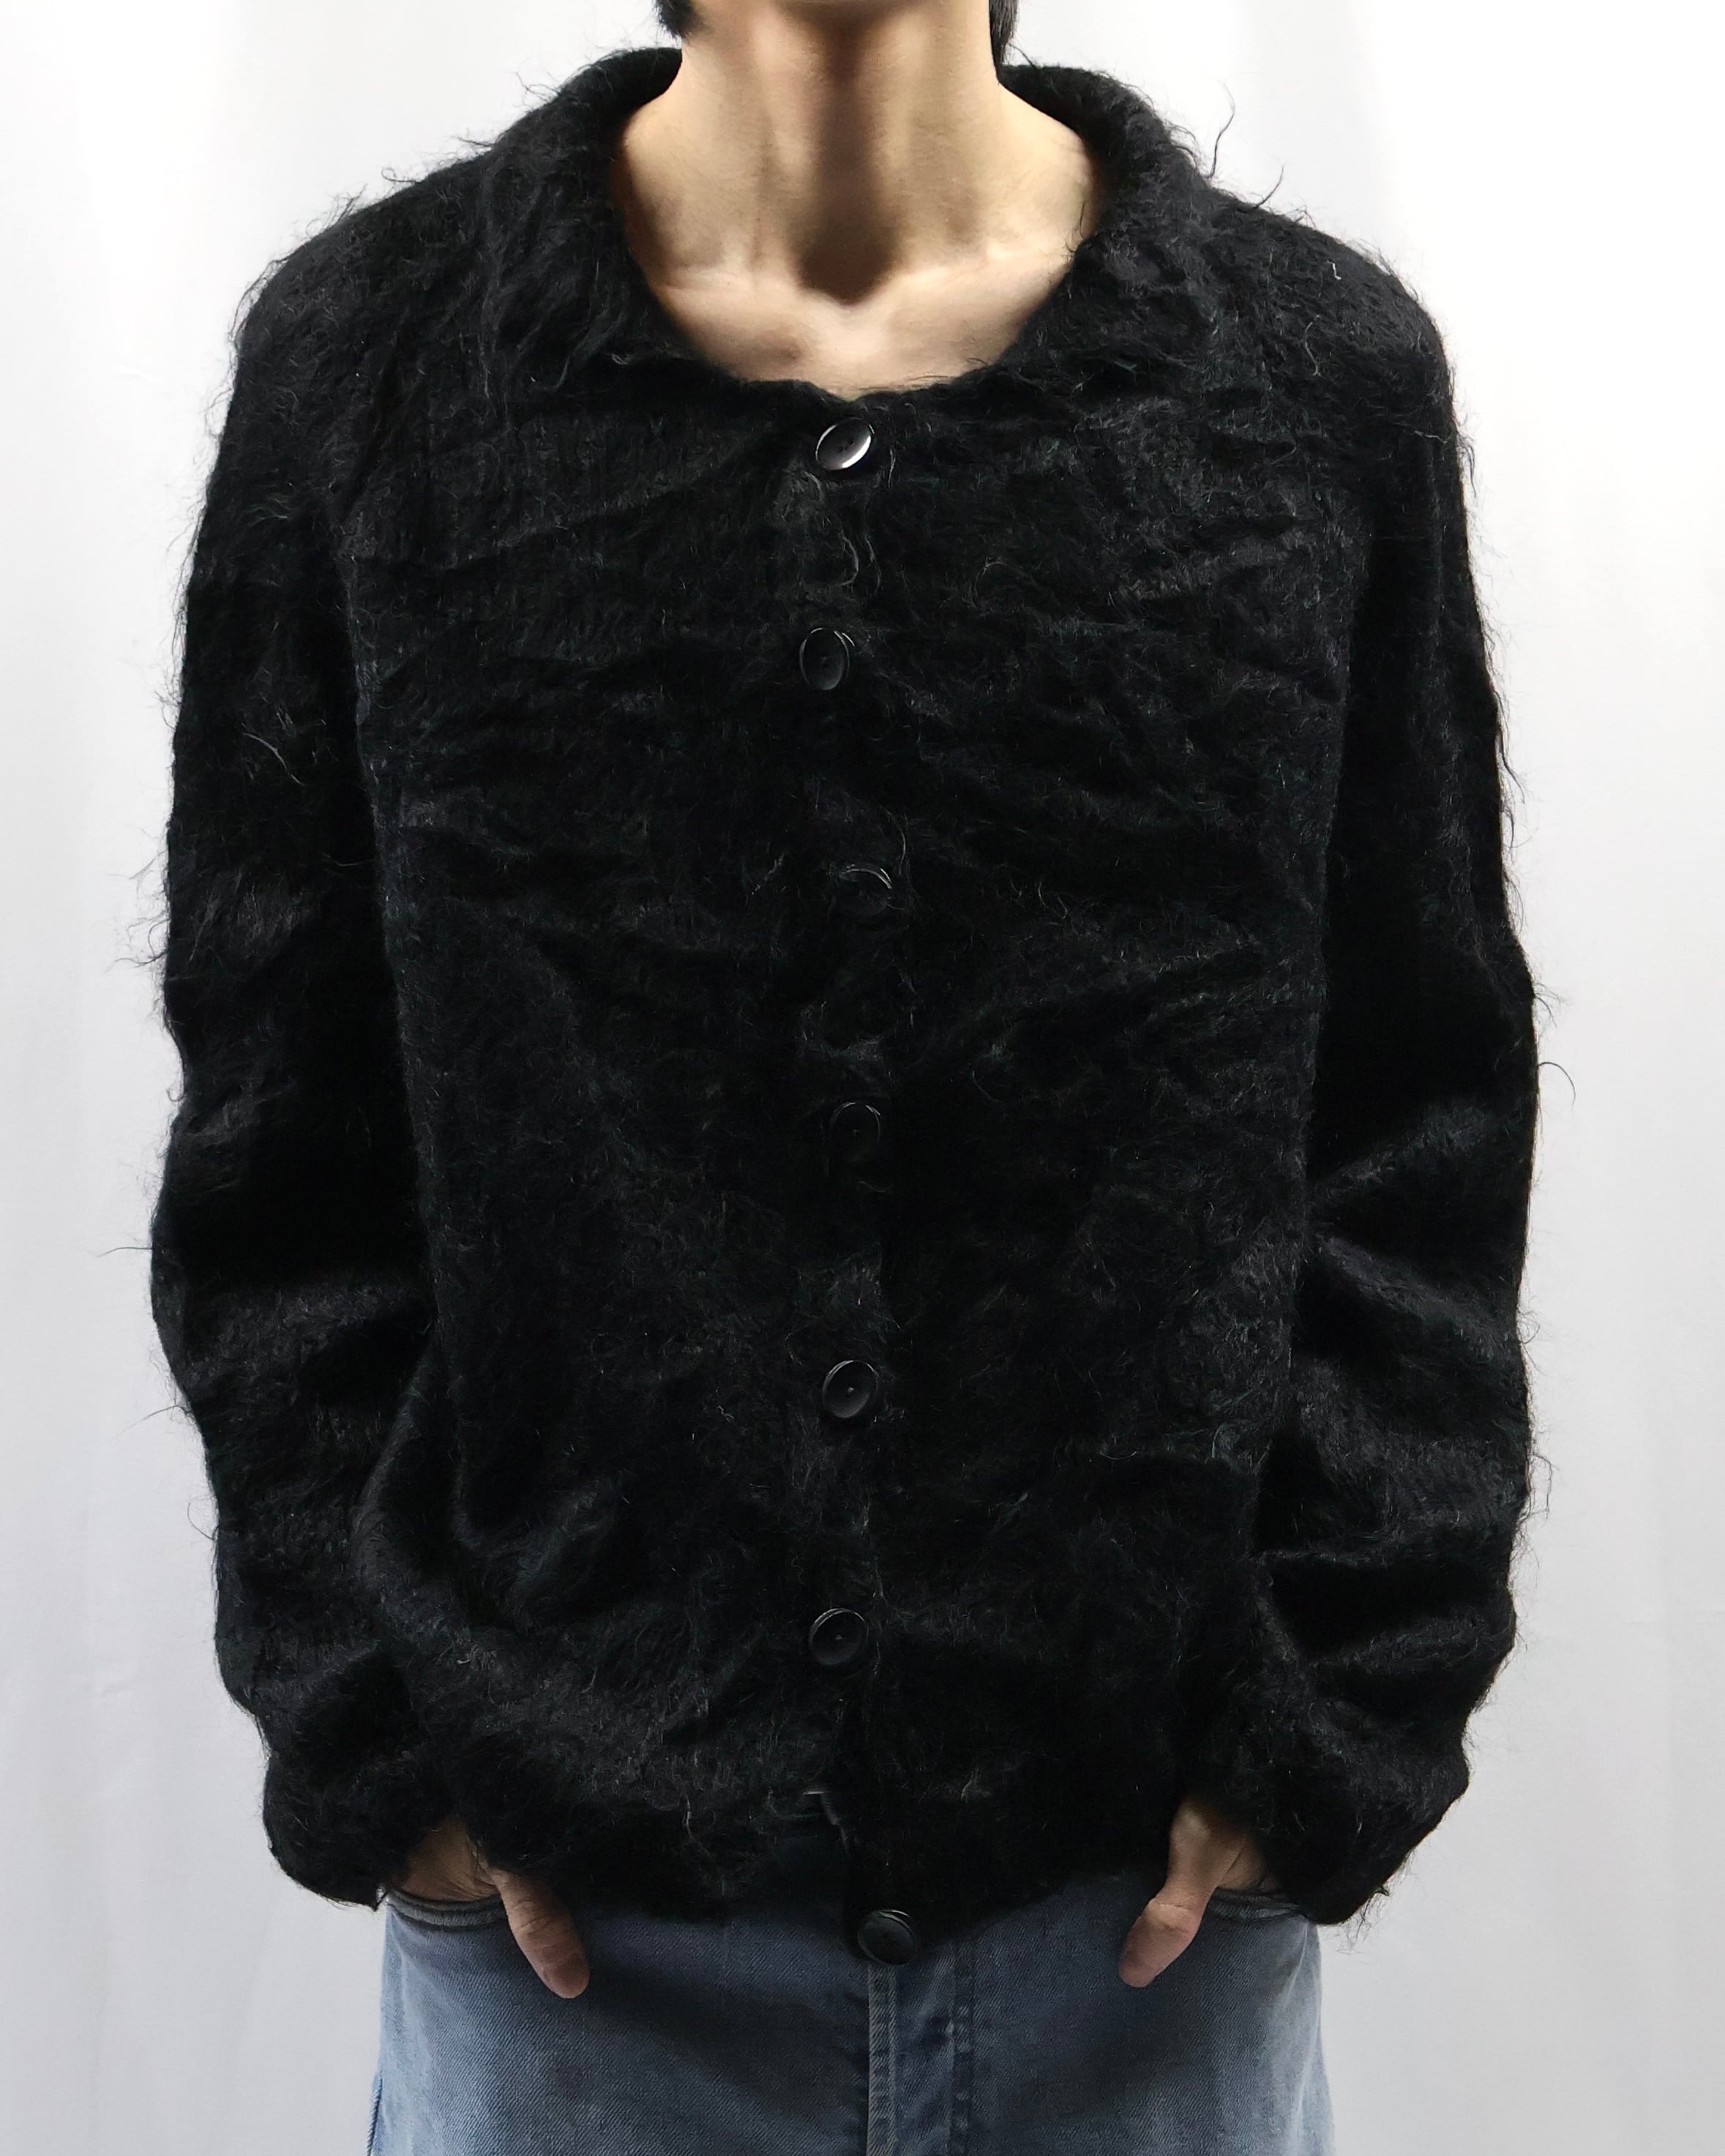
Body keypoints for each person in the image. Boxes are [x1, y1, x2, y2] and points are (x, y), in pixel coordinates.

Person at [149, 1, 1541, 2149]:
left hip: (1139, 1953)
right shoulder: (378, 374)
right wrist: (387, 1736)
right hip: (572, 1962)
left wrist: (1325, 1718)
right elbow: (278, 1130)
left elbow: (1421, 1097)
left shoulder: (1310, 387)